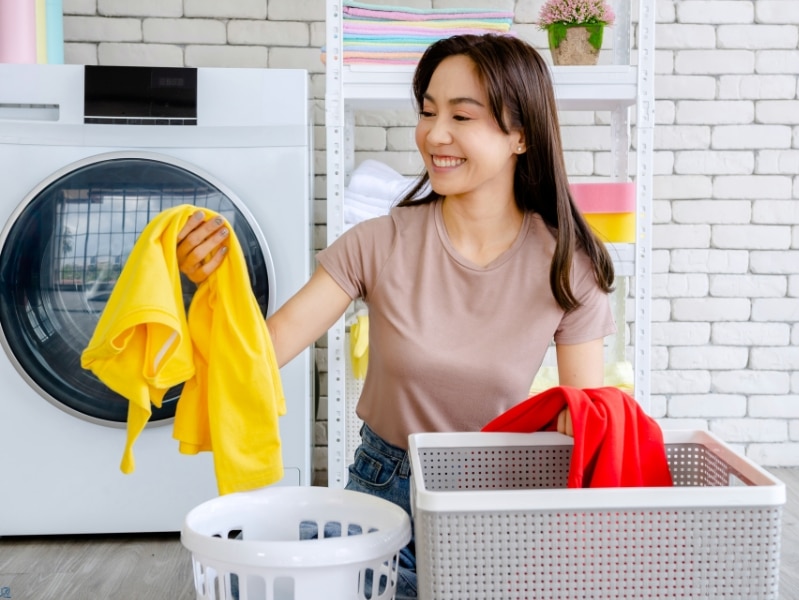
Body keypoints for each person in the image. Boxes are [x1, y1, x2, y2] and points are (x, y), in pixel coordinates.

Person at [177, 33, 616, 599]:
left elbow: (587, 426)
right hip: (382, 498)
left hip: (495, 503)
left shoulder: (567, 267)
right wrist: (212, 289)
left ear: (521, 135)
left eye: (462, 116)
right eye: (428, 112)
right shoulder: (378, 242)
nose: (435, 134)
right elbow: (258, 357)